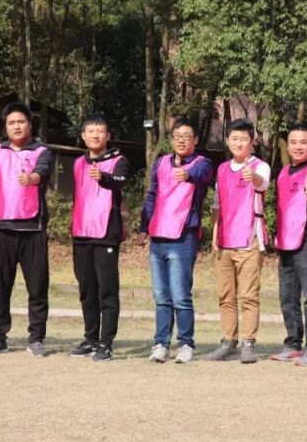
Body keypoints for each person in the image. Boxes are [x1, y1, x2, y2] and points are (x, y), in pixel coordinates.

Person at [0, 102, 56, 357]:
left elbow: (43, 172)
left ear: (30, 125)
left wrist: (32, 178)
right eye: (11, 122)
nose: (16, 126)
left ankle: (36, 338)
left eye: (21, 122)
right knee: (0, 287)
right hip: (2, 228)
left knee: (37, 287)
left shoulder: (42, 151)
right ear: (6, 127)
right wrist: (0, 200)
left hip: (33, 229)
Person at [138, 117, 213, 364]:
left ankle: (185, 344)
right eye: (177, 136)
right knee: (161, 296)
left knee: (181, 295)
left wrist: (188, 173)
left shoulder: (202, 163)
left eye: (187, 136)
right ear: (172, 139)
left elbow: (203, 174)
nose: (181, 140)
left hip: (184, 237)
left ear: (195, 140)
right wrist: (144, 227)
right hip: (158, 236)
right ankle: (161, 343)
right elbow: (152, 195)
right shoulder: (161, 162)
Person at [206, 119, 270, 364]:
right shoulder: (222, 169)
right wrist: (215, 232)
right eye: (234, 139)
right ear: (227, 141)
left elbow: (262, 183)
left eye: (244, 139)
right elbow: (217, 203)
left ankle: (248, 343)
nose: (239, 143)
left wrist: (252, 176)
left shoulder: (260, 166)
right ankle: (228, 341)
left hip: (249, 240)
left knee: (249, 296)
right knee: (226, 295)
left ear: (252, 142)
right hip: (225, 240)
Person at [69, 115, 129, 362]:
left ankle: (106, 343)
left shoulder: (119, 161)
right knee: (87, 290)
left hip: (106, 233)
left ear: (108, 136)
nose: (95, 135)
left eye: (100, 131)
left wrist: (103, 177)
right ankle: (91, 338)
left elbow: (119, 182)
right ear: (83, 136)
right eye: (90, 131)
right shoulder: (77, 163)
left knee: (107, 290)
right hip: (81, 233)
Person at [271, 124, 307, 366]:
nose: (297, 146)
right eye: (293, 142)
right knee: (287, 297)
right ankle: (293, 344)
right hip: (285, 242)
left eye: (303, 142)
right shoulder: (283, 172)